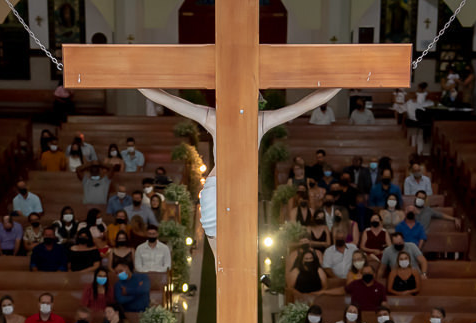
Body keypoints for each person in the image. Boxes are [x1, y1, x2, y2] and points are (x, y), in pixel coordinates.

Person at [138, 87, 339, 254]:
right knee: (230, 263)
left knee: (234, 263)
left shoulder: (241, 119)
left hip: (232, 190)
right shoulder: (241, 119)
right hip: (224, 190)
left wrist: (341, 82)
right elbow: (168, 100)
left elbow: (305, 105)